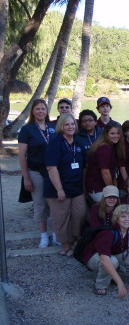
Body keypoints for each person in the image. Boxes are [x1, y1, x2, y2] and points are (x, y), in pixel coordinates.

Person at [82, 205, 129, 298]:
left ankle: (111, 276)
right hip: (94, 257)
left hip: (114, 255)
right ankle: (100, 285)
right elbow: (104, 259)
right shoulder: (108, 232)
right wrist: (120, 283)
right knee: (111, 262)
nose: (127, 219)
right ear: (117, 218)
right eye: (123, 216)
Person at [44, 114, 87, 256]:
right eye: (67, 124)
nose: (70, 127)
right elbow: (51, 167)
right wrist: (59, 189)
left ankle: (74, 238)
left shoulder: (78, 143)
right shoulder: (55, 143)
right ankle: (65, 244)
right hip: (58, 189)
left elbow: (84, 166)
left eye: (73, 124)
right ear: (61, 126)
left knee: (79, 214)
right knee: (61, 218)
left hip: (76, 187)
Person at [18, 99, 58, 248]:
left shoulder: (53, 127)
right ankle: (43, 236)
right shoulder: (27, 130)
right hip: (36, 171)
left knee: (54, 204)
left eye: (43, 109)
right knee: (40, 204)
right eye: (38, 109)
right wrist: (26, 177)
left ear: (47, 111)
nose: (41, 111)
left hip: (53, 171)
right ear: (33, 111)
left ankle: (56, 234)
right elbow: (22, 155)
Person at [85, 122, 125, 203]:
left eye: (118, 133)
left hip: (101, 186)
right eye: (112, 133)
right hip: (98, 188)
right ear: (106, 134)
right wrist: (112, 191)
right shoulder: (105, 148)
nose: (116, 136)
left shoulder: (111, 146)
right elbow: (105, 172)